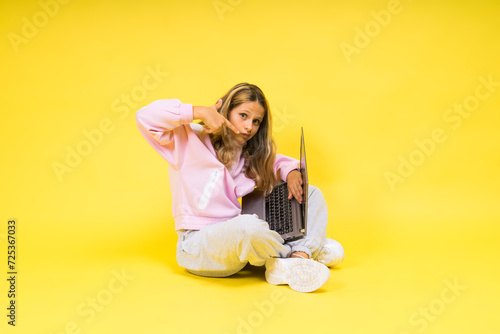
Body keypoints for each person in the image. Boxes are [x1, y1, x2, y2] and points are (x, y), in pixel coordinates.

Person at [135, 82, 344, 292]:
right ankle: (305, 251)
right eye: (243, 115)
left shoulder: (248, 156)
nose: (249, 127)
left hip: (239, 244)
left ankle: (298, 257)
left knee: (311, 193)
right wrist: (197, 111)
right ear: (226, 110)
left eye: (256, 121)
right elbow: (145, 117)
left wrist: (291, 172)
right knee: (248, 226)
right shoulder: (188, 139)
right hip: (197, 246)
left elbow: (277, 162)